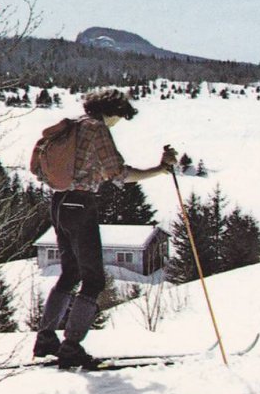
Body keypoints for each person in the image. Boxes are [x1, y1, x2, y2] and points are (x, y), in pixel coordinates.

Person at [32, 88, 177, 369]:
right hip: (80, 205)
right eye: (119, 118)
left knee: (70, 273)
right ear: (112, 111)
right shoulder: (97, 129)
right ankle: (71, 347)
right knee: (94, 279)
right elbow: (119, 173)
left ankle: (46, 339)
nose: (117, 124)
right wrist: (159, 170)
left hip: (59, 202)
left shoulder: (72, 125)